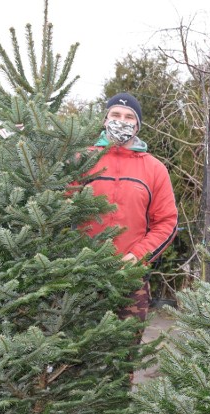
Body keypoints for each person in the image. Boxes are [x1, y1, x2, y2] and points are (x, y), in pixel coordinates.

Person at [72, 92, 178, 327]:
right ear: (105, 120)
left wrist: (137, 257)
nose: (122, 120)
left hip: (130, 279)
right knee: (77, 358)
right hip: (82, 274)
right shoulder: (81, 160)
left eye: (129, 117)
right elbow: (59, 208)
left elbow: (167, 223)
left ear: (137, 125)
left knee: (123, 357)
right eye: (116, 114)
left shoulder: (154, 169)